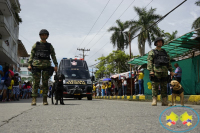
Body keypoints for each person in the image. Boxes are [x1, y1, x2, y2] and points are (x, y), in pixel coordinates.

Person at [28, 29, 58, 106]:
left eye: (45, 35)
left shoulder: (49, 46)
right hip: (36, 65)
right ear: (40, 36)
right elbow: (32, 55)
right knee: (36, 83)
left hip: (46, 65)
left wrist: (56, 65)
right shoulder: (36, 45)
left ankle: (45, 99)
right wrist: (29, 64)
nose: (44, 36)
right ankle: (34, 99)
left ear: (47, 36)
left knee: (45, 83)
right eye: (42, 35)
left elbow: (53, 56)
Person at [147, 37, 174, 106]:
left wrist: (171, 70)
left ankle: (164, 101)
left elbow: (168, 62)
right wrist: (151, 71)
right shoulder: (152, 52)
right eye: (158, 42)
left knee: (164, 86)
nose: (160, 43)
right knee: (155, 86)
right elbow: (149, 62)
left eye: (161, 42)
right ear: (156, 43)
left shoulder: (165, 52)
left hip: (164, 72)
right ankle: (154, 100)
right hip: (156, 71)